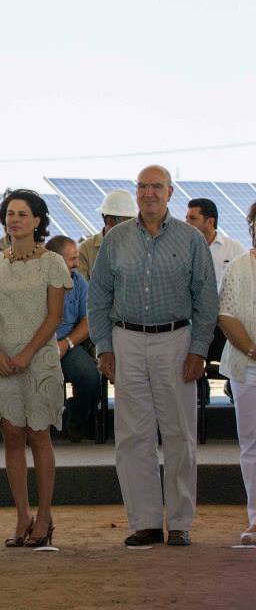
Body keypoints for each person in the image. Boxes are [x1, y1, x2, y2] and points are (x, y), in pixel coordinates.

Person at [88, 165, 217, 547]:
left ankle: (179, 522)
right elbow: (98, 297)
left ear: (170, 192)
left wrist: (198, 349)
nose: (149, 193)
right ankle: (143, 522)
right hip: (126, 340)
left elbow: (206, 300)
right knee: (133, 436)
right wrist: (104, 346)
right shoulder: (116, 239)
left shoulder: (191, 239)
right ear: (136, 192)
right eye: (143, 186)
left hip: (176, 341)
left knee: (179, 434)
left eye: (156, 186)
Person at [0, 190, 70, 548]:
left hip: (40, 362)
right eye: (10, 213)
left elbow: (55, 316)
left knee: (39, 435)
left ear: (37, 221)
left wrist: (27, 354)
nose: (14, 219)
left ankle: (45, 516)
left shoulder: (53, 262)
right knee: (13, 436)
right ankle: (22, 516)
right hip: (0, 362)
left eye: (22, 213)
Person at [216, 201, 256, 545]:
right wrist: (254, 351)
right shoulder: (239, 266)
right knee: (251, 445)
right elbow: (225, 315)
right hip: (248, 367)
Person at [185, 198, 245, 402]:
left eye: (192, 218)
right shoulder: (184, 249)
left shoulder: (233, 249)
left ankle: (233, 384)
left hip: (224, 324)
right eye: (186, 217)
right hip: (194, 323)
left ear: (209, 222)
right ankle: (199, 392)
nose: (187, 222)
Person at [45, 235, 102, 442]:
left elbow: (88, 320)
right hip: (36, 346)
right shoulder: (34, 281)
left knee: (90, 377)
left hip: (67, 344)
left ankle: (75, 418)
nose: (77, 264)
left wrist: (66, 344)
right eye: (72, 259)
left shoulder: (78, 282)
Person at [77, 189, 138, 280]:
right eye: (127, 222)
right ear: (109, 221)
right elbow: (81, 287)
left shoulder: (138, 247)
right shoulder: (86, 250)